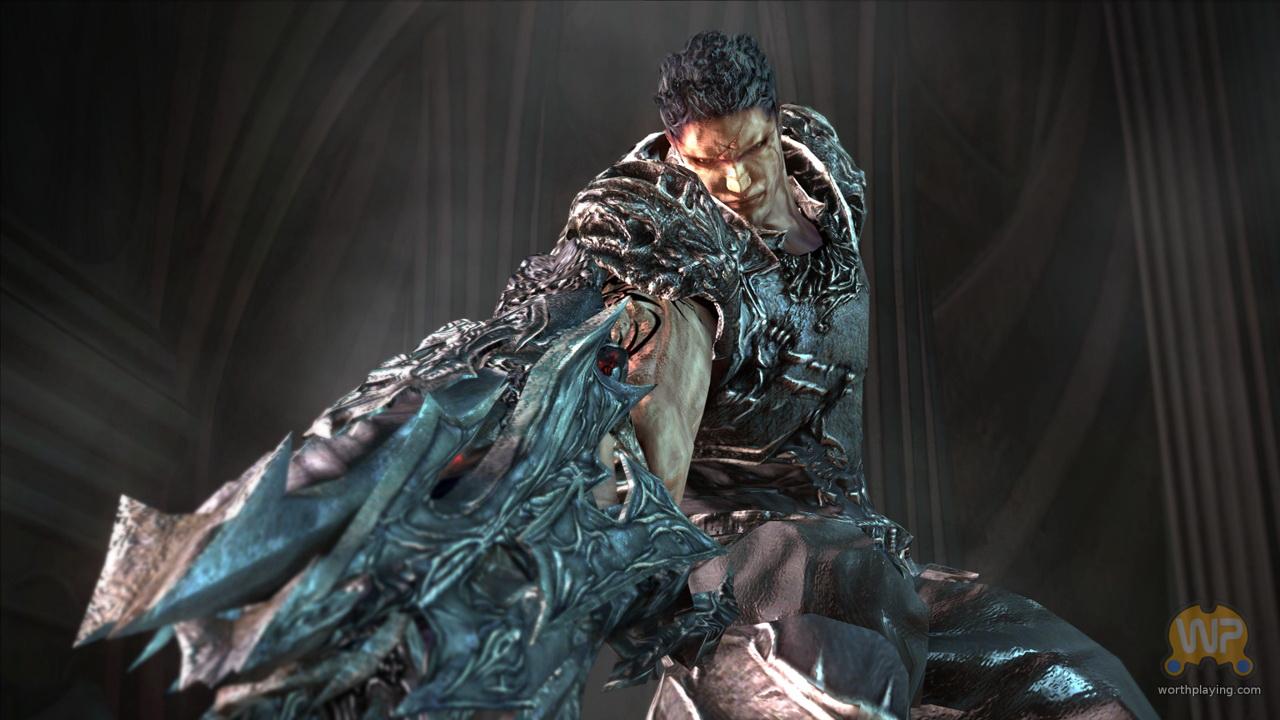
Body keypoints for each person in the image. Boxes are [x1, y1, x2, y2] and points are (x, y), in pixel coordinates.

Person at [75, 30, 1156, 720]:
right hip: (747, 568)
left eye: (750, 153)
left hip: (865, 549)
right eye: (707, 163)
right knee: (836, 651)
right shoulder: (661, 243)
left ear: (777, 127)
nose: (736, 184)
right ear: (678, 151)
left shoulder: (825, 172)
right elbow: (655, 401)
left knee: (1085, 692)